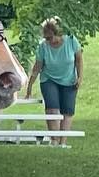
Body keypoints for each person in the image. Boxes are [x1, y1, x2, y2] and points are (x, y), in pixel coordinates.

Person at [24, 16, 83, 146]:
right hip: (49, 79)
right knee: (52, 109)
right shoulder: (43, 47)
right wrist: (29, 87)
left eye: (50, 37)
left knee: (68, 111)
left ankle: (63, 142)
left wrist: (80, 77)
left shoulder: (72, 41)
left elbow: (79, 60)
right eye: (46, 38)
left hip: (69, 80)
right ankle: (54, 141)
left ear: (58, 33)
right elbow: (37, 68)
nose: (48, 41)